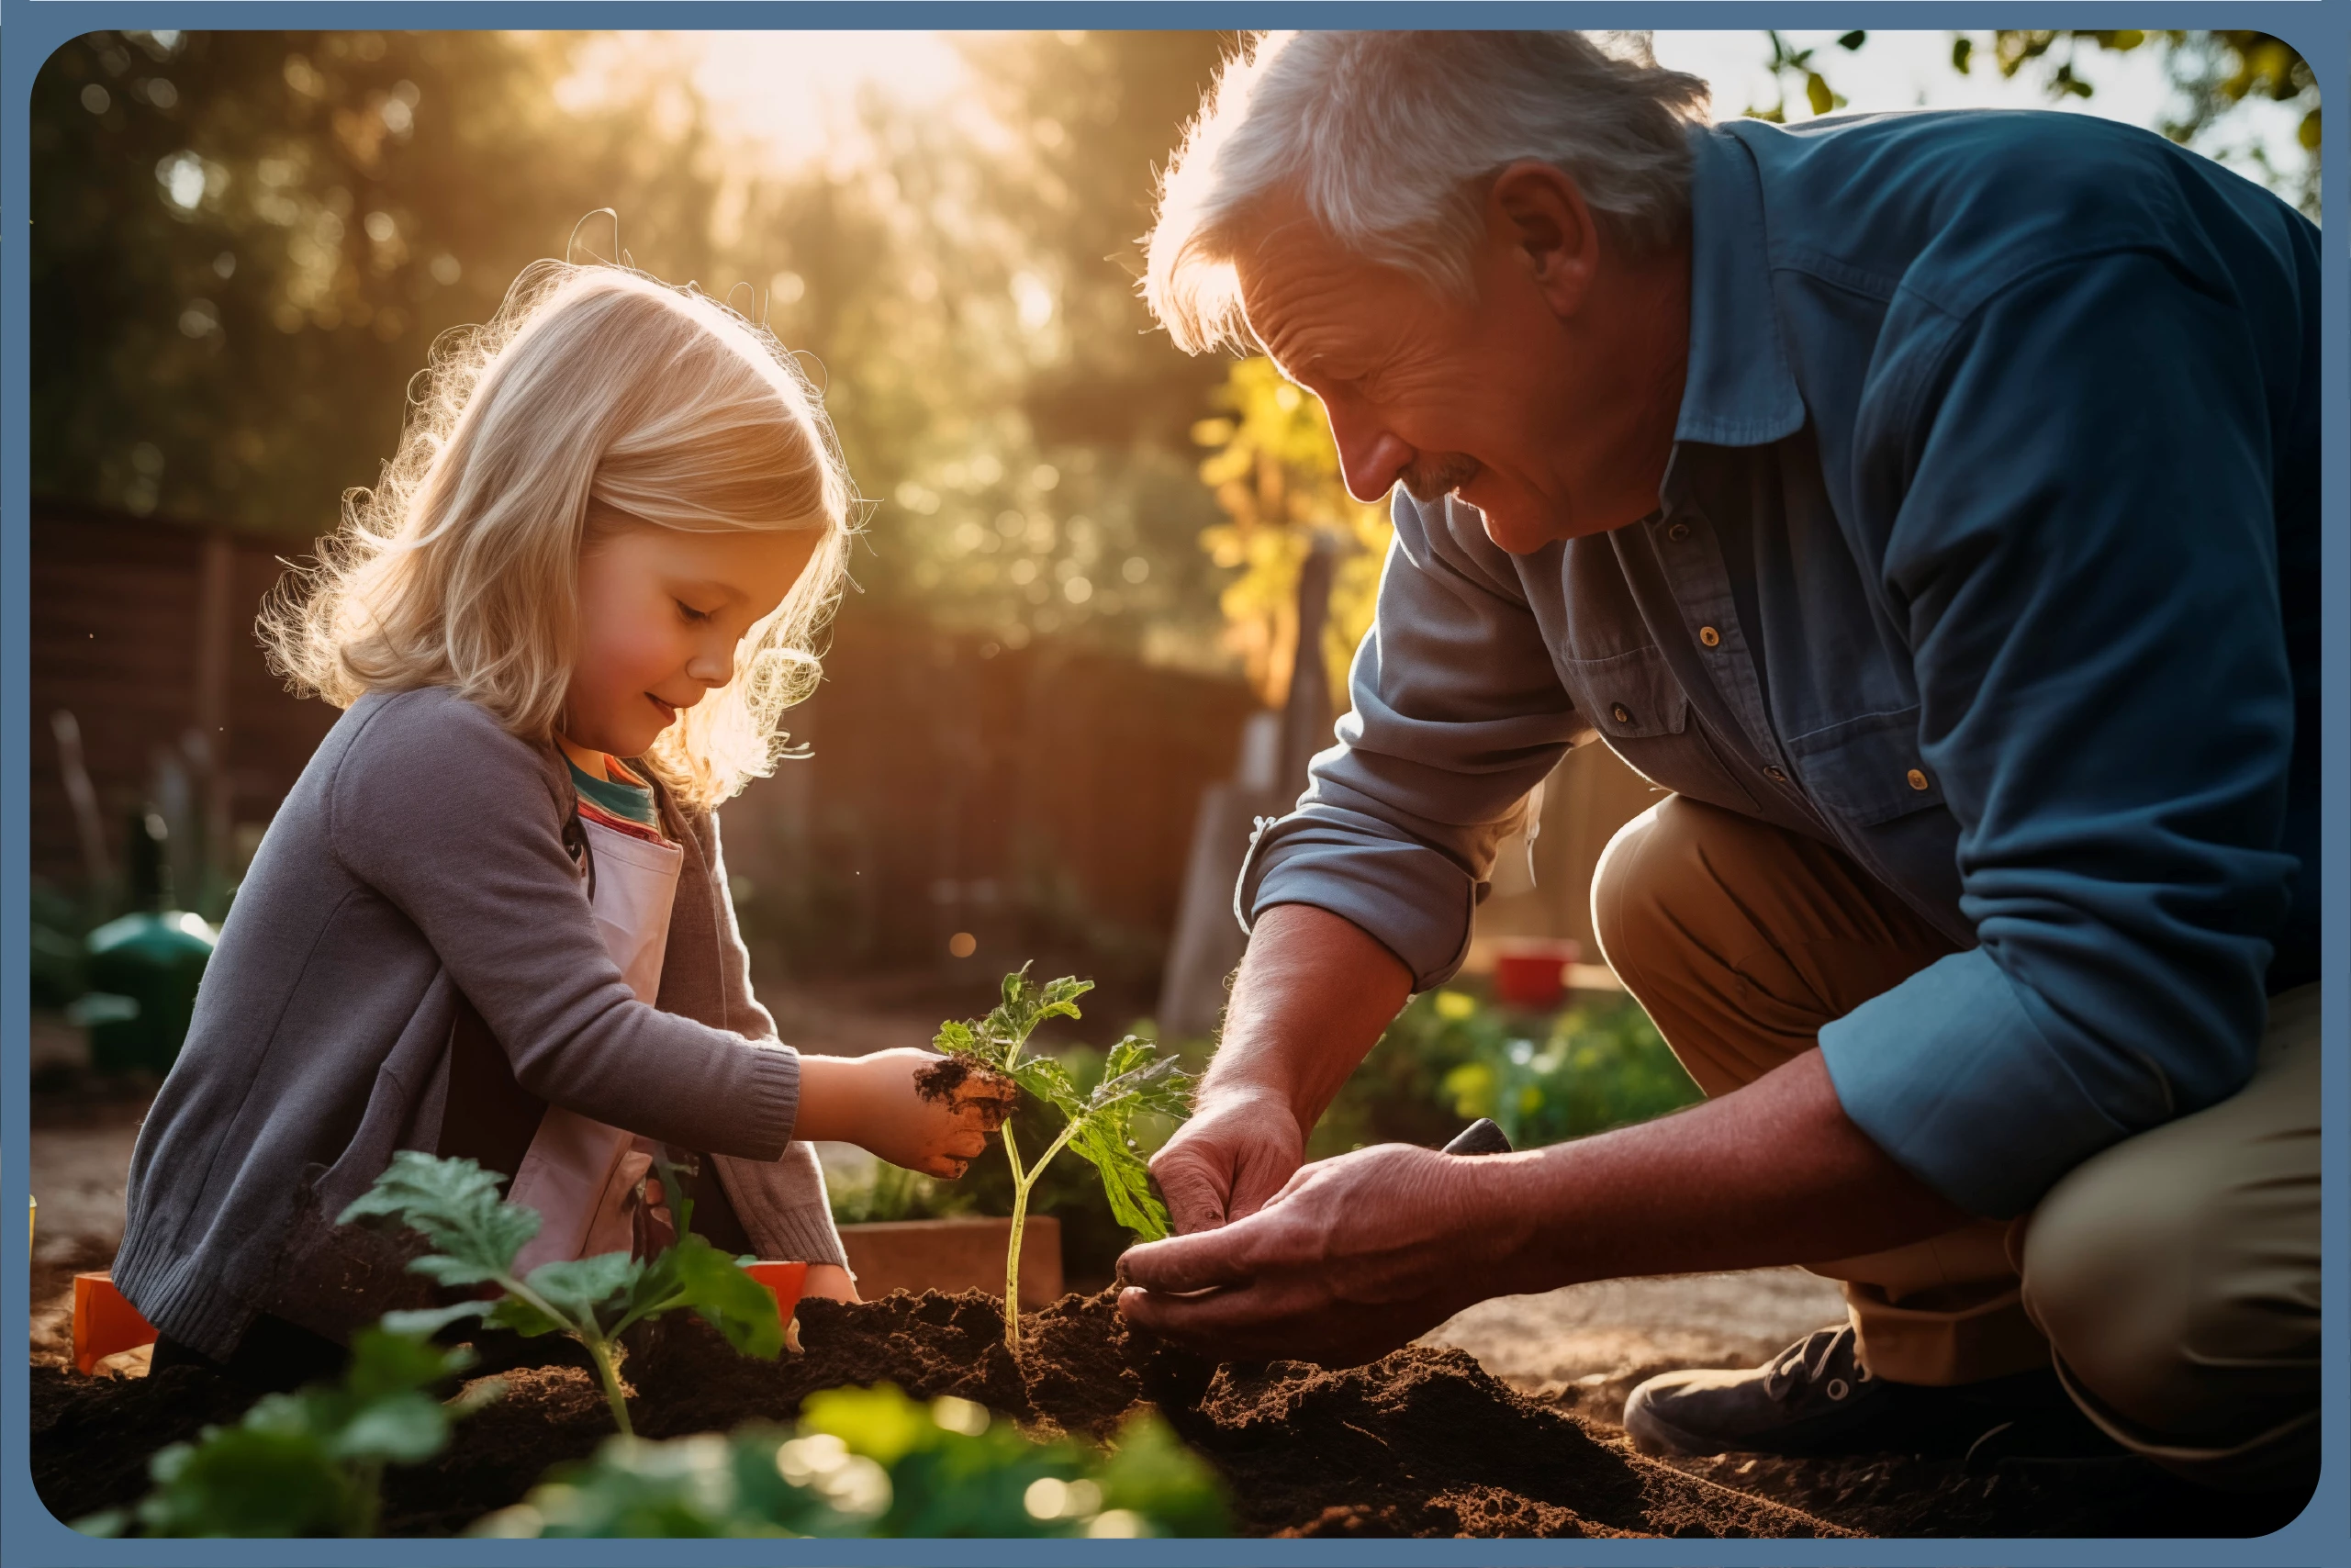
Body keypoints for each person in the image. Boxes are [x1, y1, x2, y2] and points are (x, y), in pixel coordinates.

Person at [1116, 30, 2320, 1494]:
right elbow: (1391, 799)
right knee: (1678, 888)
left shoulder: (2019, 305)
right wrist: (1256, 1086)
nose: (1360, 464)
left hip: (2265, 948)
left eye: (1358, 375)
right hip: (2201, 954)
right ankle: (1964, 1369)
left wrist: (1499, 1220)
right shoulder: (1498, 446)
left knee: (2160, 1284)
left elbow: (2112, 980)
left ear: (1546, 234)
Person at [117, 263, 1009, 1390]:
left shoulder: (649, 789)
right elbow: (575, 1040)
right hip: (291, 1319)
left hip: (477, 1316)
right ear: (546, 525)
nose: (722, 661)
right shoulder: (434, 750)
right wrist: (848, 1099)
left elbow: (726, 1028)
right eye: (695, 607)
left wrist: (814, 1274)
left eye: (750, 623)